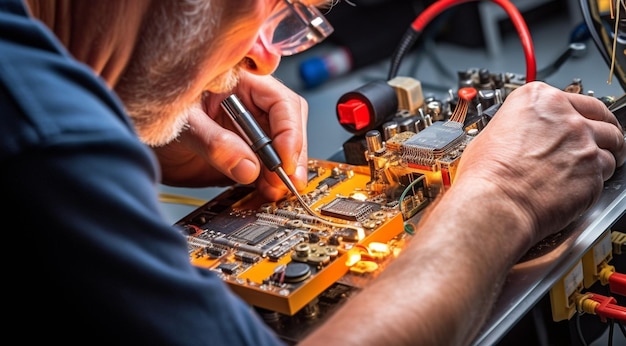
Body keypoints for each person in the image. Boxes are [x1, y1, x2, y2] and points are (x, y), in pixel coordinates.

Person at [1, 0, 624, 344]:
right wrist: (502, 198)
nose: (264, 56)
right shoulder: (44, 136)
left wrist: (134, 105)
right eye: (280, 10)